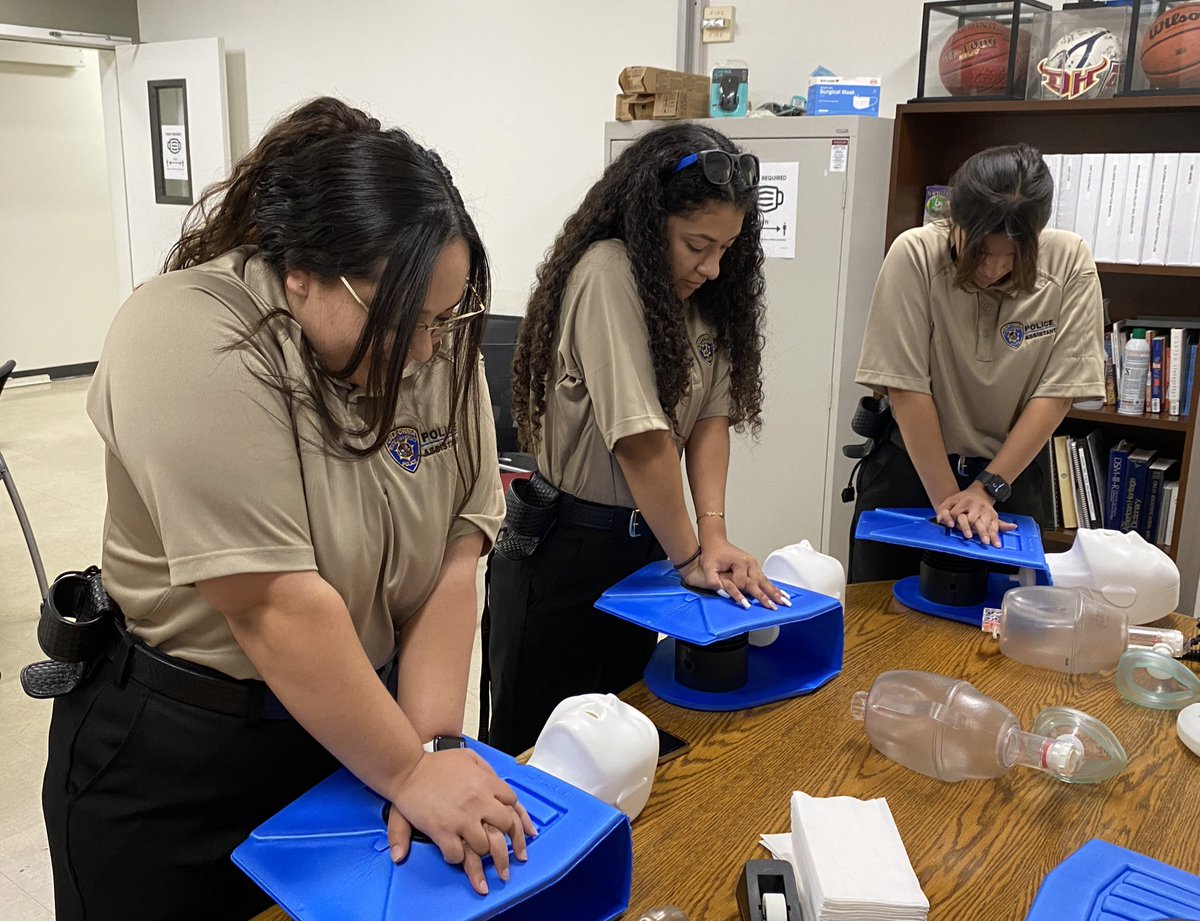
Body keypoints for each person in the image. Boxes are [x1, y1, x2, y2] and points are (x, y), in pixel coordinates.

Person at [41, 97, 534, 920]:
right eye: (405, 321)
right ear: (302, 273)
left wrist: (434, 746)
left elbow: (456, 555)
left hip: (354, 734)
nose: (426, 350)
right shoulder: (187, 331)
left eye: (444, 319)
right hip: (186, 757)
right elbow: (274, 604)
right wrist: (410, 774)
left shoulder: (437, 350)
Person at [485, 122, 788, 756]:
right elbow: (642, 441)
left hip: (645, 543)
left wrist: (713, 536)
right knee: (543, 750)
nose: (712, 267)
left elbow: (710, 422)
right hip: (568, 545)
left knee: (620, 739)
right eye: (696, 244)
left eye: (727, 248)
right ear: (652, 223)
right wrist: (689, 559)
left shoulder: (708, 298)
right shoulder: (609, 271)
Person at [848, 143, 1105, 583]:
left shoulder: (1069, 260)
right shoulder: (915, 254)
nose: (994, 268)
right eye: (981, 252)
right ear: (954, 219)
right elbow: (906, 387)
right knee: (881, 629)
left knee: (996, 635)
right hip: (911, 471)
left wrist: (986, 490)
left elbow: (1057, 393)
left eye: (1012, 256)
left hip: (1011, 480)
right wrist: (954, 505)